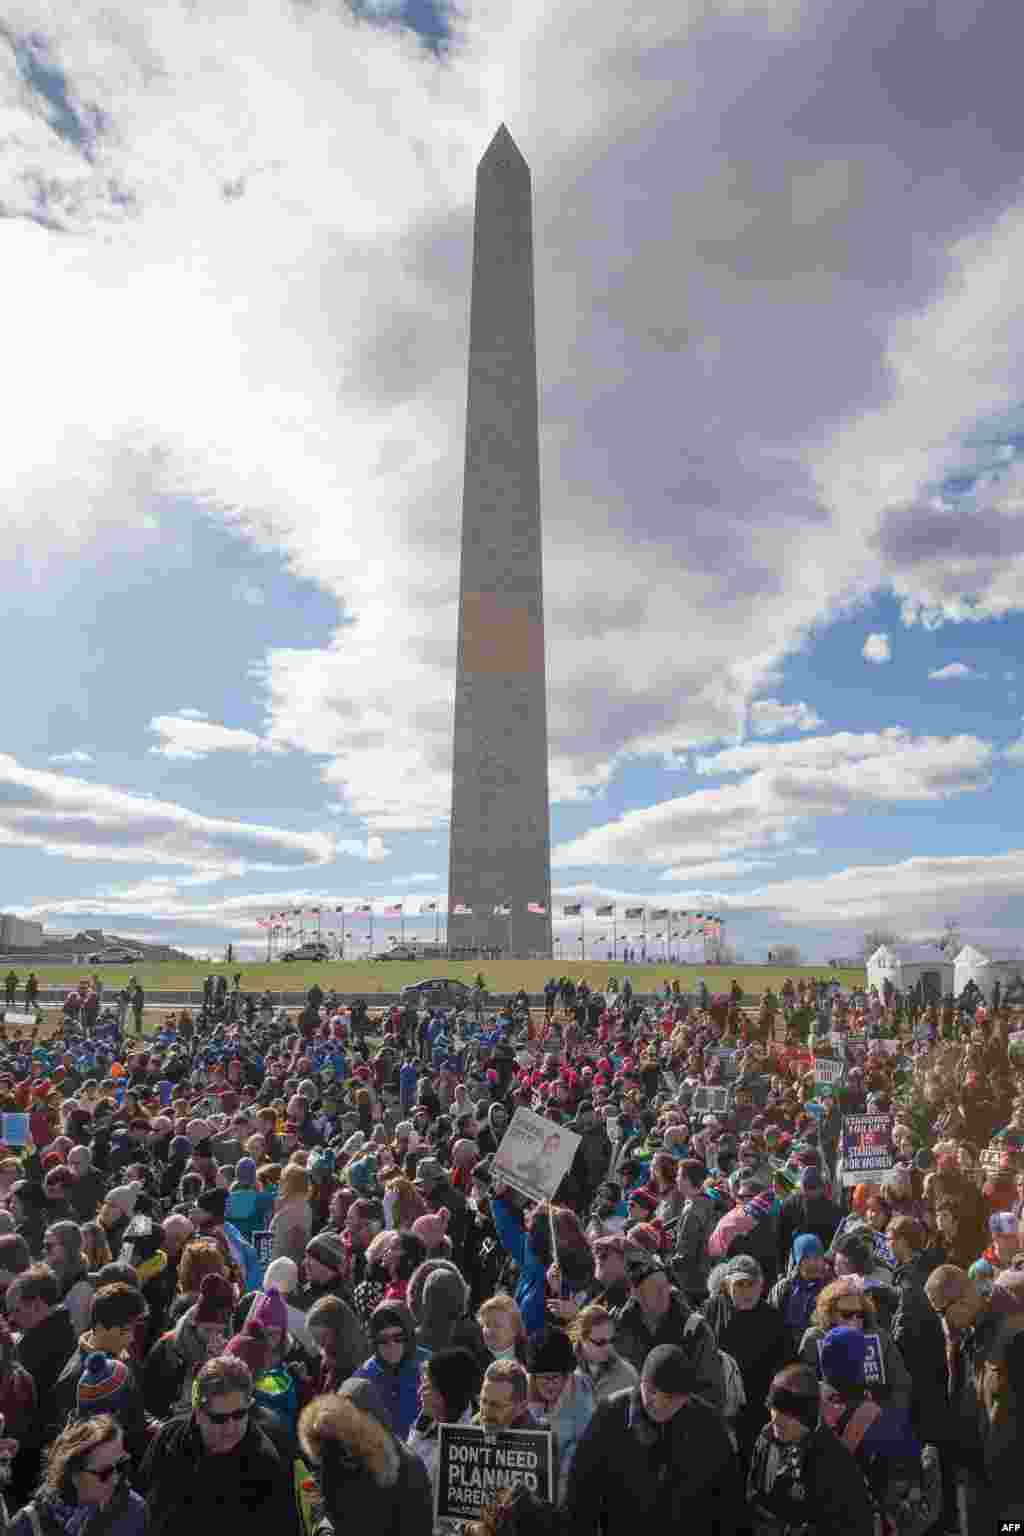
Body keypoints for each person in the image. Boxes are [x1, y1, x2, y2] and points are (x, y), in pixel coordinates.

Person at [564, 1343, 743, 1536]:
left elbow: (729, 1502)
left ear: (685, 1397)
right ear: (640, 1382)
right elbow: (581, 1492)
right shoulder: (610, 1415)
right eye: (649, 1391)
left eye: (668, 1398)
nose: (655, 1402)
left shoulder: (708, 1426)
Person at [135, 1354, 300, 1536]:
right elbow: (141, 1496)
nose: (230, 1428)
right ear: (197, 1412)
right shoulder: (170, 1437)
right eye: (218, 1418)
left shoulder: (265, 1464)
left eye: (239, 1415)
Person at [746, 1363, 874, 1536]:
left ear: (808, 1415)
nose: (777, 1421)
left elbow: (853, 1525)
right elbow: (754, 1493)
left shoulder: (834, 1462)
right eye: (773, 1409)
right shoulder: (766, 1440)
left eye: (788, 1414)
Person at [298, 1377, 433, 1536]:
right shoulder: (334, 1454)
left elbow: (417, 1527)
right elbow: (329, 1511)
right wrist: (325, 1529)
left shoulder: (407, 1466)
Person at [613, 1250, 724, 1412]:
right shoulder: (619, 1329)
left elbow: (711, 1393)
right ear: (635, 1294)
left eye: (664, 1285)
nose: (662, 1293)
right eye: (653, 1288)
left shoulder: (694, 1329)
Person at [702, 1255, 788, 1463]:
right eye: (740, 1284)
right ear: (727, 1284)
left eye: (752, 1284)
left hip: (757, 1409)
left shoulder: (772, 1318)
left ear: (762, 1285)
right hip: (719, 1407)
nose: (747, 1291)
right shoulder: (712, 1308)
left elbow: (785, 1363)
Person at [4, 1414, 146, 1536]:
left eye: (121, 1465)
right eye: (104, 1472)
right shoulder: (29, 1526)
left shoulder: (134, 1510)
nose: (115, 1479)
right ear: (74, 1474)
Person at [525, 1326, 595, 1505]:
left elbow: (579, 1457)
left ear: (566, 1375)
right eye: (542, 1378)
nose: (549, 1385)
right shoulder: (522, 1388)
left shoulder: (582, 1398)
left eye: (554, 1378)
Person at [407, 1345, 481, 1492]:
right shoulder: (428, 1421)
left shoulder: (473, 1435)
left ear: (447, 1391)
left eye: (428, 1386)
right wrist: (423, 1422)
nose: (420, 1391)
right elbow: (408, 1467)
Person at [354, 1302, 430, 1440]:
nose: (391, 1345)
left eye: (398, 1338)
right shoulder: (364, 1377)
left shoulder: (429, 1366)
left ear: (408, 1336)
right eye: (383, 1339)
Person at [570, 1303, 638, 1403]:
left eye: (612, 1340)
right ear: (582, 1339)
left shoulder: (628, 1375)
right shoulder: (562, 1374)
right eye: (601, 1342)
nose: (608, 1347)